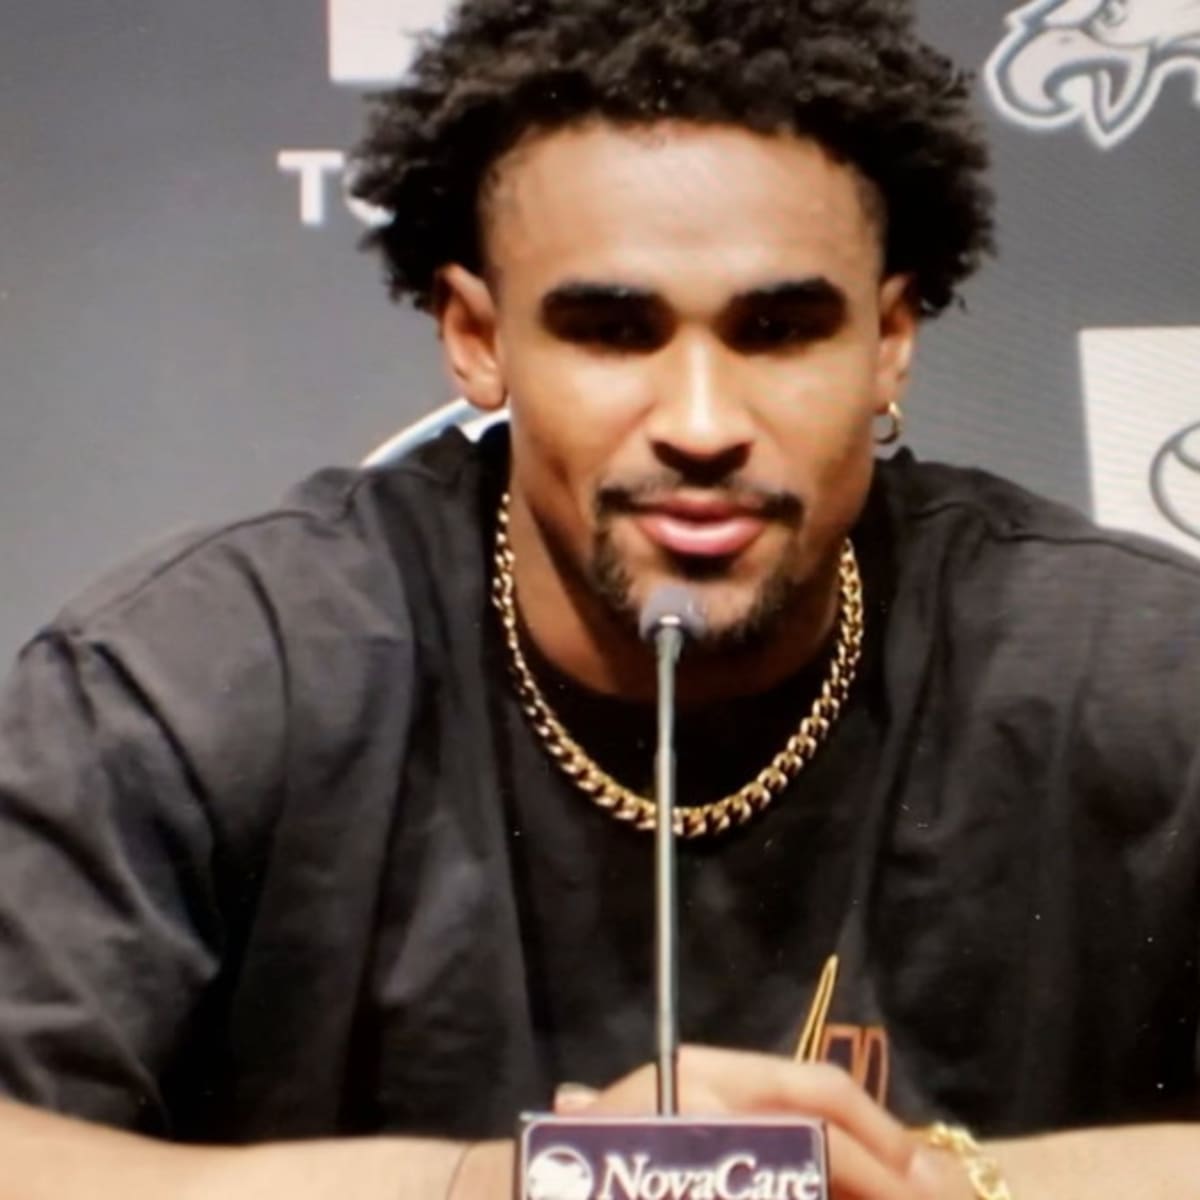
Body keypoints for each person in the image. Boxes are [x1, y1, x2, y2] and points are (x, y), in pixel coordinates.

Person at [0, 0, 1197, 1196]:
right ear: (478, 337)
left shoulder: (1135, 671)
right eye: (615, 332)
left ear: (888, 341)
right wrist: (531, 1184)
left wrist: (918, 1184)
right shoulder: (200, 678)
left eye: (778, 331)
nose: (702, 425)